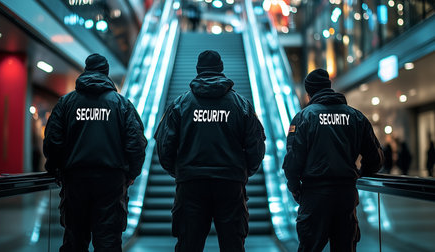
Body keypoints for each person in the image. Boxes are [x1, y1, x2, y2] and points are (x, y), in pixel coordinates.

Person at [154, 50, 266, 252]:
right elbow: (256, 146)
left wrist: (180, 171)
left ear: (198, 70)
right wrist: (242, 172)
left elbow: (164, 145)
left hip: (191, 184)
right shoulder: (241, 105)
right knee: (233, 244)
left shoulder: (180, 104)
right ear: (221, 70)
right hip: (230, 184)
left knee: (188, 244)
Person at [43, 53, 147, 251]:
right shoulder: (121, 104)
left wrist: (55, 169)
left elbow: (53, 141)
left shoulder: (67, 103)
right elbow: (136, 143)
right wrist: (131, 173)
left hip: (75, 179)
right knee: (108, 241)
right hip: (111, 181)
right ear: (106, 73)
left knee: (75, 239)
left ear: (86, 71)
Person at [282, 69, 383, 252]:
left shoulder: (305, 117)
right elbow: (375, 158)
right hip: (346, 195)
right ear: (329, 88)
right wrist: (359, 175)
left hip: (315, 195)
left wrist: (296, 188)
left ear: (309, 92)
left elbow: (293, 159)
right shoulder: (356, 117)